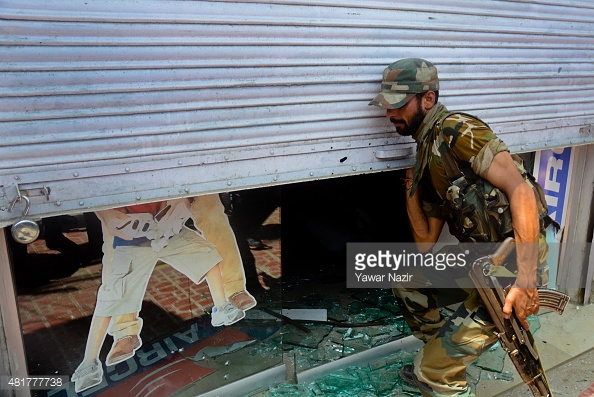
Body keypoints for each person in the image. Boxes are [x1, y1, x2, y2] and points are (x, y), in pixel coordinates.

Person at [369, 58, 550, 396]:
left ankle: (437, 369)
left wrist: (526, 281)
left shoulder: (456, 129)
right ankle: (443, 350)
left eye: (398, 104)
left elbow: (521, 192)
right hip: (481, 262)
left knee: (432, 374)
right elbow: (425, 244)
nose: (390, 114)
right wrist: (412, 190)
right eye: (386, 105)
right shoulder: (427, 150)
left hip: (512, 264)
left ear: (428, 99)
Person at [71, 194, 257, 393]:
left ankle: (231, 292)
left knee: (210, 216)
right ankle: (121, 333)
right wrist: (106, 213)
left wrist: (182, 201)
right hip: (133, 213)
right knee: (116, 268)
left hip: (176, 188)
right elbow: (94, 187)